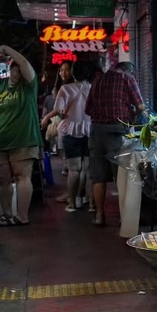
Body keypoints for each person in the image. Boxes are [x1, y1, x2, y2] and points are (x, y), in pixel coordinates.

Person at [0, 45, 44, 226]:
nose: (18, 73)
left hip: (23, 139)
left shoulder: (29, 86)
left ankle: (22, 216)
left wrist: (6, 49)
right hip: (0, 140)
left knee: (22, 175)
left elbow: (23, 62)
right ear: (10, 69)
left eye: (20, 70)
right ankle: (7, 214)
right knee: (3, 179)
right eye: (14, 69)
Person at [85, 61, 146, 227]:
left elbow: (87, 110)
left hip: (96, 131)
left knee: (98, 176)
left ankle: (99, 215)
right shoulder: (127, 79)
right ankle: (123, 217)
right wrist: (133, 113)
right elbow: (141, 106)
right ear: (129, 71)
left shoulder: (98, 80)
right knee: (121, 175)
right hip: (117, 131)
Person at [41, 60, 92, 213]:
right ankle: (87, 201)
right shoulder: (92, 87)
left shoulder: (65, 89)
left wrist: (45, 117)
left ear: (74, 73)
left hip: (70, 129)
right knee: (86, 169)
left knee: (74, 169)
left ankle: (72, 203)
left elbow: (59, 110)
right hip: (89, 129)